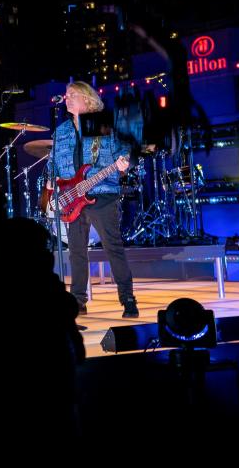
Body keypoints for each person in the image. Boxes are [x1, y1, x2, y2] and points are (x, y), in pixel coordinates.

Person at [47, 81, 139, 318]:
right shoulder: (62, 132)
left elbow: (123, 150)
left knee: (113, 247)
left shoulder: (104, 124)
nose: (66, 98)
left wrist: (123, 163)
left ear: (87, 98)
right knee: (77, 251)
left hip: (102, 194)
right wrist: (50, 182)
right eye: (65, 95)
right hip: (72, 199)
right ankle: (78, 301)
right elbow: (52, 162)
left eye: (71, 95)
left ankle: (127, 298)